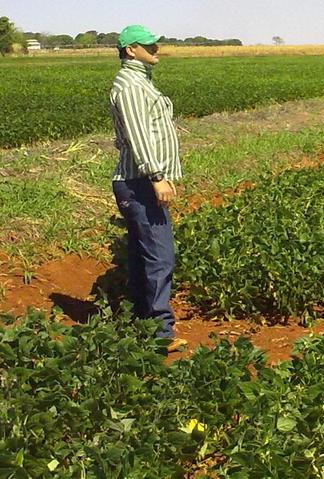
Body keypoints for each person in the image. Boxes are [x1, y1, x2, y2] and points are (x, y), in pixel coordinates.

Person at [109, 25, 187, 352]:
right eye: (149, 44)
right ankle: (159, 334)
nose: (157, 48)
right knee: (160, 257)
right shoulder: (130, 87)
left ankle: (142, 324)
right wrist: (157, 176)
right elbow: (139, 136)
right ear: (131, 50)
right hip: (141, 183)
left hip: (140, 181)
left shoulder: (139, 82)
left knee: (146, 256)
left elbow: (123, 137)